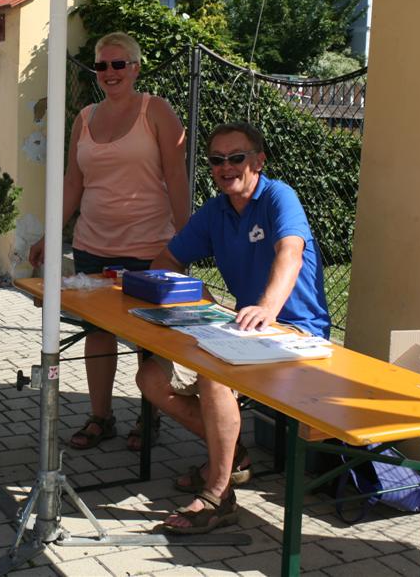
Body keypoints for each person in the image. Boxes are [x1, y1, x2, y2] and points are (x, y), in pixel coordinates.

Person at [137, 122, 331, 534]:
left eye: (237, 158)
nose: (226, 167)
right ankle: (232, 453)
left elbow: (291, 254)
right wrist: (196, 300)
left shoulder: (279, 196)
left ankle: (218, 495)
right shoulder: (215, 210)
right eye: (217, 160)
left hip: (296, 332)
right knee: (151, 378)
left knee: (214, 378)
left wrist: (266, 308)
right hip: (242, 330)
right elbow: (165, 263)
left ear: (258, 161)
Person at [29, 32, 190, 451]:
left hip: (149, 246)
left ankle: (151, 417)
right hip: (92, 245)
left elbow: (177, 177)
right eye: (102, 66)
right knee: (96, 332)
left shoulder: (155, 111)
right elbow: (72, 183)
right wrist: (50, 234)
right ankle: (101, 417)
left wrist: (186, 241)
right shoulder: (84, 117)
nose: (111, 73)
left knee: (149, 337)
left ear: (135, 67)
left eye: (119, 64)